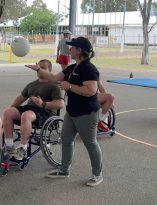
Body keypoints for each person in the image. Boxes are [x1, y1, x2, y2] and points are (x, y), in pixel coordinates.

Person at [26, 37, 103, 187]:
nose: (69, 49)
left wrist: (69, 87)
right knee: (66, 140)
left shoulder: (89, 69)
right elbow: (54, 78)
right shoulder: (72, 67)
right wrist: (38, 69)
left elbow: (91, 90)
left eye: (72, 47)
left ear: (79, 50)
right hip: (72, 112)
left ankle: (97, 174)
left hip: (87, 113)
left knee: (90, 143)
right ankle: (64, 170)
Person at [3, 59, 64, 160]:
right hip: (30, 109)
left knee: (26, 115)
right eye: (38, 67)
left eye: (42, 68)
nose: (38, 70)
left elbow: (60, 104)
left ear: (49, 70)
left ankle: (22, 148)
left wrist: (43, 104)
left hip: (45, 112)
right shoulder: (31, 85)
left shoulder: (53, 85)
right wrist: (7, 116)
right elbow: (20, 99)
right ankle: (9, 146)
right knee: (8, 112)